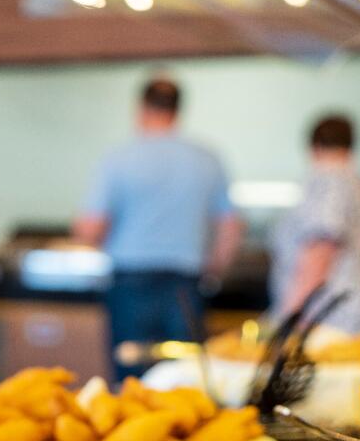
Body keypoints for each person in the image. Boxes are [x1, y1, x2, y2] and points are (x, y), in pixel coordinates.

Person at [74, 78, 244, 380]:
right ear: (178, 109)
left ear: (141, 108)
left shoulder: (119, 158)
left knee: (131, 379)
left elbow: (91, 229)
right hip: (186, 283)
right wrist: (215, 268)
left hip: (130, 283)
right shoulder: (207, 158)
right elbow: (230, 227)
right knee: (185, 377)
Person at [269, 115, 360, 333]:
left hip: (331, 313)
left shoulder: (328, 178)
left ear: (314, 147)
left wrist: (291, 317)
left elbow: (321, 247)